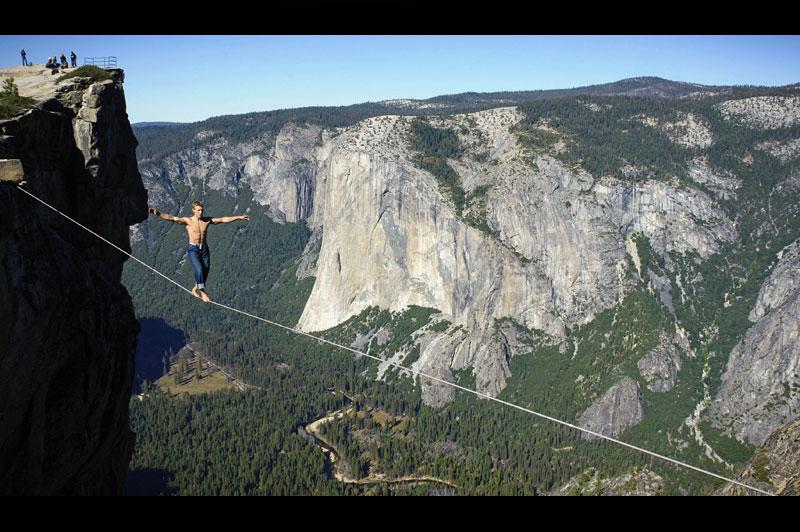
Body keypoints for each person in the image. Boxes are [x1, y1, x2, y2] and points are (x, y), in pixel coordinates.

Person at [148, 201, 250, 302]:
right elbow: (172, 218)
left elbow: (223, 219)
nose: (201, 212)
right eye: (198, 210)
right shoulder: (188, 221)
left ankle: (195, 289)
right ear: (193, 210)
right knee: (199, 269)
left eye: (202, 210)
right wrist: (157, 213)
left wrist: (238, 217)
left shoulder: (206, 220)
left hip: (204, 248)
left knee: (205, 270)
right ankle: (202, 291)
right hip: (193, 249)